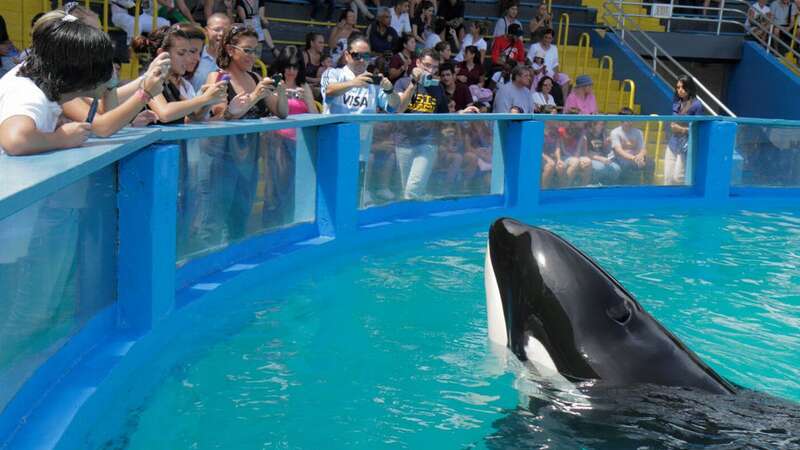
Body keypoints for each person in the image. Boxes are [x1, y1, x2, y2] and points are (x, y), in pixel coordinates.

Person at [0, 16, 113, 155]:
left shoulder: (36, 75)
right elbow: (15, 140)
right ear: (81, 73)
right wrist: (62, 138)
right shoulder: (28, 94)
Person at [321, 35, 408, 203]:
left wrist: (390, 91)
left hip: (362, 151)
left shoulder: (374, 82)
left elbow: (394, 106)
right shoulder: (333, 73)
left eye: (366, 56)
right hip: (334, 147)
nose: (362, 60)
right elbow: (329, 91)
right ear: (347, 55)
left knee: (356, 198)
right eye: (357, 55)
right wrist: (353, 83)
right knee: (332, 197)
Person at [394, 49, 479, 199]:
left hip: (427, 143)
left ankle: (414, 219)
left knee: (412, 190)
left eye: (434, 67)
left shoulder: (437, 87)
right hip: (404, 142)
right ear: (418, 63)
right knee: (406, 189)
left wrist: (461, 113)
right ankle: (414, 215)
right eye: (427, 65)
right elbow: (399, 109)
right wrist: (414, 82)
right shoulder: (402, 83)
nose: (431, 70)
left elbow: (444, 117)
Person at [132, 25, 228, 125]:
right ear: (162, 53)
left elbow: (195, 115)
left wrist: (210, 98)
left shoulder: (169, 83)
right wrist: (204, 98)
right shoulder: (148, 80)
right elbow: (165, 113)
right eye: (181, 53)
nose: (187, 59)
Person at [664, 75, 703, 185]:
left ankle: (679, 200)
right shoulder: (676, 103)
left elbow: (698, 128)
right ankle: (667, 200)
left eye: (682, 87)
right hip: (673, 142)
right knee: (667, 177)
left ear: (689, 87)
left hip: (686, 144)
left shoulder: (697, 105)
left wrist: (681, 129)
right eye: (678, 87)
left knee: (678, 177)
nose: (680, 90)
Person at [610, 107, 653, 184]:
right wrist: (634, 158)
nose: (630, 122)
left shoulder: (638, 132)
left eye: (632, 119)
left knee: (650, 162)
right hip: (618, 158)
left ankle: (648, 185)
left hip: (635, 157)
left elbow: (643, 149)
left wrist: (640, 156)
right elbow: (619, 151)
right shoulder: (615, 132)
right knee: (630, 165)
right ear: (621, 120)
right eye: (628, 119)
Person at [191, 12, 231, 92]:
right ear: (206, 31)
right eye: (217, 30)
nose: (221, 34)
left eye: (226, 31)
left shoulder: (232, 59)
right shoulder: (195, 55)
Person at [527, 28, 569, 104]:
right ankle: (532, 101)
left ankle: (565, 104)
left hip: (550, 73)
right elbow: (529, 62)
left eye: (549, 38)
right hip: (538, 72)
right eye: (546, 37)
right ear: (542, 37)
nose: (547, 40)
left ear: (552, 39)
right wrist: (536, 70)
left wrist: (556, 73)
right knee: (536, 77)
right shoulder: (534, 46)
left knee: (565, 78)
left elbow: (555, 64)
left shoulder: (554, 48)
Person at [586, 120, 620, 185]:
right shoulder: (587, 135)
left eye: (603, 124)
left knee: (617, 168)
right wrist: (601, 159)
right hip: (592, 159)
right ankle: (594, 183)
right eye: (600, 124)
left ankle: (607, 185)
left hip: (603, 158)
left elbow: (607, 151)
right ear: (593, 125)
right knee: (600, 167)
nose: (602, 126)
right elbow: (586, 153)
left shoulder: (604, 134)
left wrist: (608, 143)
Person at [561, 122, 592, 186]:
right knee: (575, 162)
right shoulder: (562, 130)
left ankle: (582, 187)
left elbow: (579, 147)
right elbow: (562, 149)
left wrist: (578, 157)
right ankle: (565, 187)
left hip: (576, 156)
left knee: (588, 162)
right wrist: (574, 157)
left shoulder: (581, 132)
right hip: (565, 156)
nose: (582, 122)